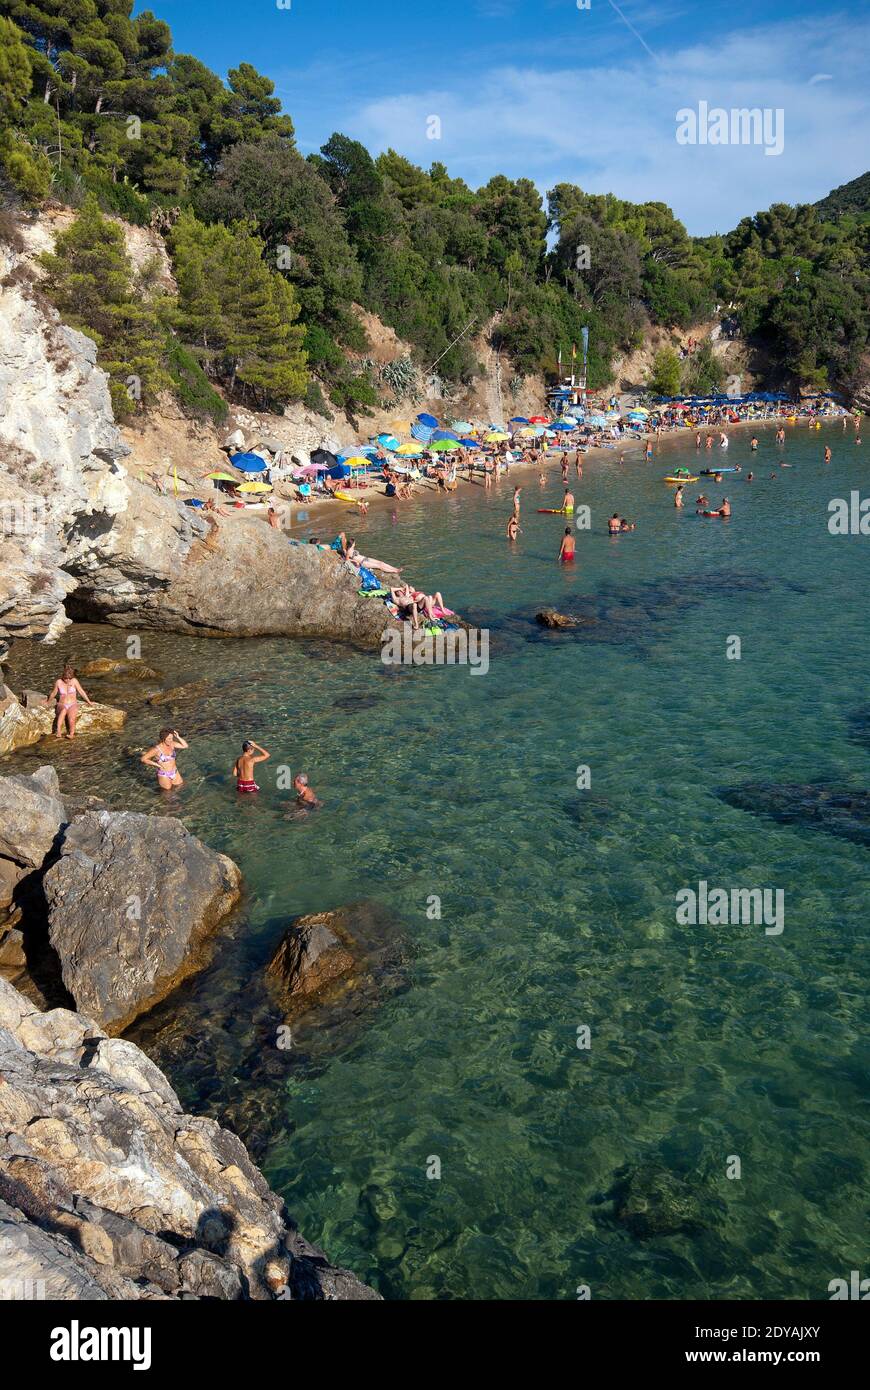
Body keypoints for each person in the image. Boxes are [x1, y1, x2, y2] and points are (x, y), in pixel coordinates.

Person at [45, 663, 93, 740]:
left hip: (72, 704)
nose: (67, 680)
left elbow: (81, 691)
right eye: (66, 678)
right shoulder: (58, 682)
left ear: (72, 677)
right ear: (63, 676)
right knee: (63, 711)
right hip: (62, 704)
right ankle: (58, 731)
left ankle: (71, 734)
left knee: (71, 718)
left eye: (69, 678)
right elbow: (54, 693)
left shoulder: (74, 681)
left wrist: (89, 701)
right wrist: (48, 702)